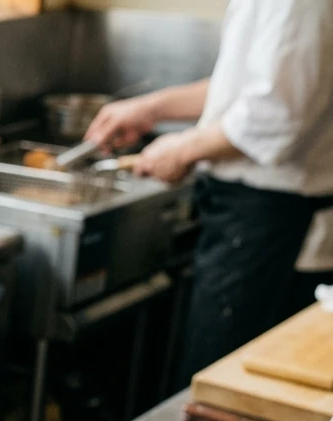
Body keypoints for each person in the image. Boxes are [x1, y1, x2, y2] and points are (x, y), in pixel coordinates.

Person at [85, 0, 333, 387]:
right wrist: (153, 108)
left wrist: (182, 149)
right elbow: (253, 84)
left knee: (222, 386)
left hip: (272, 223)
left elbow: (274, 114)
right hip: (254, 217)